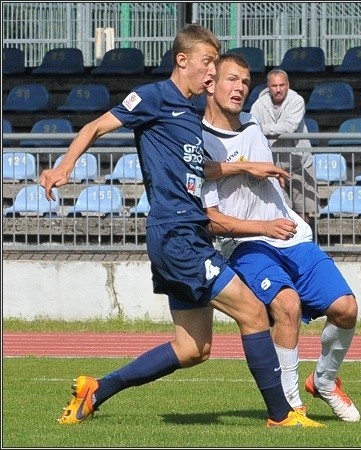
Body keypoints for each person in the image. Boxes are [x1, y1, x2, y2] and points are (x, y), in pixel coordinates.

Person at [39, 24, 323, 428]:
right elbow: (94, 127)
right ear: (183, 60)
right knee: (254, 312)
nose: (212, 72)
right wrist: (64, 167)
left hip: (186, 234)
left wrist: (243, 164)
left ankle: (97, 389)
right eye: (208, 63)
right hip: (177, 234)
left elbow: (196, 167)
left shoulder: (191, 109)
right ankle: (282, 415)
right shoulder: (153, 98)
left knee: (192, 349)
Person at [200, 53, 360, 422]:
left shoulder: (253, 126)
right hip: (245, 243)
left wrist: (273, 217)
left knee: (346, 309)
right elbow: (210, 220)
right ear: (210, 84)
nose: (239, 87)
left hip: (290, 234)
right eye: (231, 79)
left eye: (244, 81)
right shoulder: (198, 139)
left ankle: (323, 380)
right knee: (286, 305)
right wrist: (261, 223)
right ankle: (290, 406)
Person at [249, 68, 318, 224]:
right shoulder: (259, 104)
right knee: (281, 212)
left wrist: (263, 128)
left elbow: (289, 127)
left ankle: (305, 244)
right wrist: (263, 128)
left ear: (288, 85)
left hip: (300, 163)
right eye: (274, 86)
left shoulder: (297, 101)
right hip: (274, 167)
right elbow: (252, 126)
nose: (278, 89)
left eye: (282, 85)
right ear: (268, 86)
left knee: (304, 212)